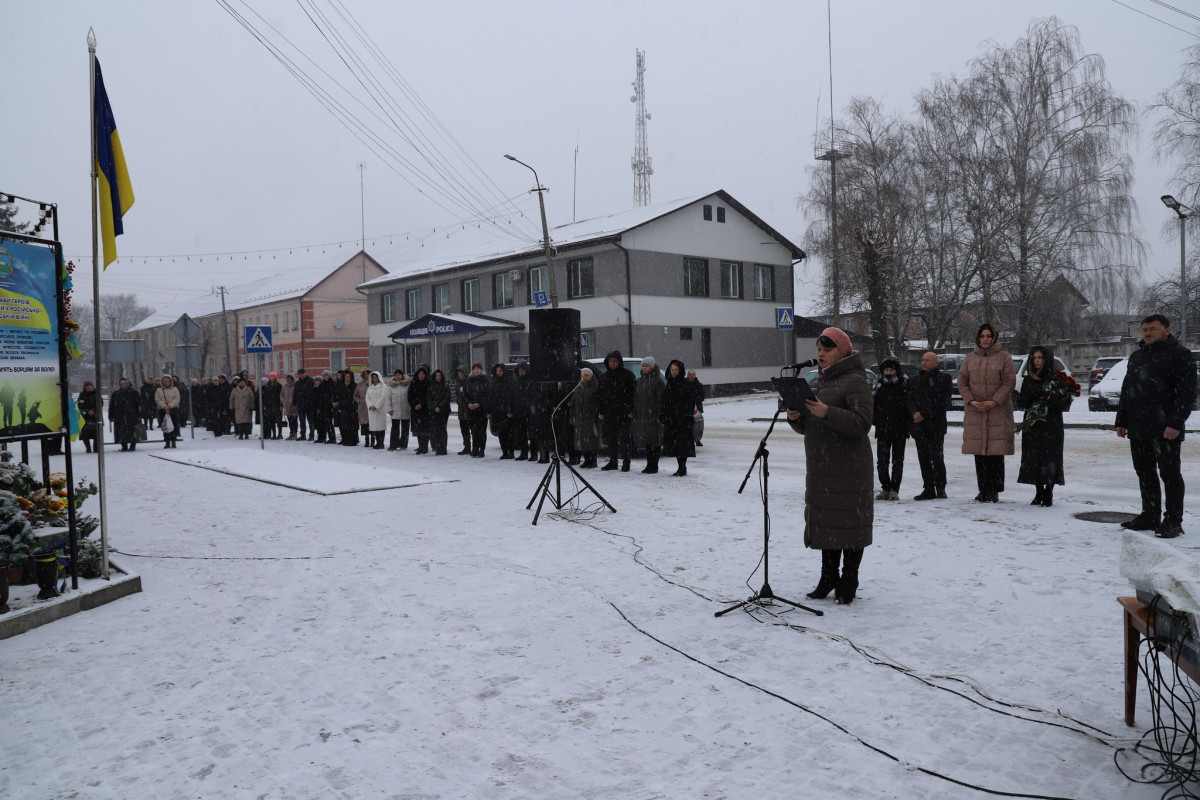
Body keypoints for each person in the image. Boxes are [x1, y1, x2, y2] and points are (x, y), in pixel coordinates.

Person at [786, 327, 873, 605]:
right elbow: (808, 426)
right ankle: (828, 577)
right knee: (827, 524)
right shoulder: (818, 383)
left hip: (850, 468)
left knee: (850, 525)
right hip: (822, 467)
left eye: (827, 349)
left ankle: (849, 580)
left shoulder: (855, 380)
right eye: (819, 349)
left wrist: (828, 412)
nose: (821, 354)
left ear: (843, 351)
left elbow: (862, 424)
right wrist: (797, 417)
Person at [1116, 314, 1198, 538]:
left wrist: (1175, 422)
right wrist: (1121, 420)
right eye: (1145, 330)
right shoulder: (1137, 357)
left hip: (1166, 429)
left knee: (1170, 474)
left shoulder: (1180, 356)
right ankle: (1150, 515)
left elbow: (1187, 393)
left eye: (1153, 329)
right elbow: (1128, 390)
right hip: (1139, 426)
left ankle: (1173, 520)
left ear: (1167, 330)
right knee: (1145, 472)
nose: (1148, 333)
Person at [958, 323, 1015, 503]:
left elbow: (1009, 382)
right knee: (979, 453)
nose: (985, 339)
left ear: (994, 338)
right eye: (982, 336)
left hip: (997, 410)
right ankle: (982, 488)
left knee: (995, 452)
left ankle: (994, 490)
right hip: (976, 411)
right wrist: (972, 401)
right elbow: (962, 382)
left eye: (988, 336)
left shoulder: (1004, 357)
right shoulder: (969, 359)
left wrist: (994, 401)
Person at [1016, 346, 1072, 507]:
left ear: (1047, 360)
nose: (1037, 361)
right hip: (1033, 425)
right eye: (1034, 358)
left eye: (1040, 357)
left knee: (1050, 458)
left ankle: (1049, 491)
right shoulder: (1028, 379)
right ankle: (1038, 490)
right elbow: (1021, 402)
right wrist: (1032, 398)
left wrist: (1049, 399)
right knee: (1034, 458)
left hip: (1051, 425)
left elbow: (1065, 403)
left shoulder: (1056, 380)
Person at [910, 352, 952, 500]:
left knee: (937, 457)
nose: (924, 362)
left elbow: (942, 402)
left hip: (936, 425)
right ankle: (928, 488)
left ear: (936, 363)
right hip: (919, 426)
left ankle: (940, 488)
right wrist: (915, 412)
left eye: (927, 360)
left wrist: (924, 414)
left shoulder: (944, 379)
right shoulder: (914, 380)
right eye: (922, 360)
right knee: (924, 458)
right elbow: (909, 398)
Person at [871, 359, 910, 501]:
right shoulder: (878, 386)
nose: (888, 373)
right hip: (882, 429)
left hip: (900, 428)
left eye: (891, 370)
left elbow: (908, 406)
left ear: (896, 371)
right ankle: (885, 488)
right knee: (882, 461)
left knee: (898, 461)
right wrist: (875, 420)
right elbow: (872, 405)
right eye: (886, 370)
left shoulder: (904, 385)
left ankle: (894, 489)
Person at [660, 360, 702, 476]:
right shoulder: (669, 384)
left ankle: (682, 467)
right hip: (672, 419)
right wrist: (663, 414)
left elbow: (690, 400)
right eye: (672, 370)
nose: (673, 372)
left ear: (680, 371)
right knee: (675, 445)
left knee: (683, 445)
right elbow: (664, 401)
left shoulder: (685, 383)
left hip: (683, 419)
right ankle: (680, 467)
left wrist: (686, 414)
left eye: (676, 370)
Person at [597, 350, 636, 471]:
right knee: (611, 439)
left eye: (615, 361)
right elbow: (600, 396)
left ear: (619, 362)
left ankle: (626, 462)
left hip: (624, 412)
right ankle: (613, 462)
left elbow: (633, 394)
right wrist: (601, 411)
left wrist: (631, 410)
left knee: (625, 438)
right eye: (610, 361)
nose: (612, 364)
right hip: (609, 412)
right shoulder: (604, 377)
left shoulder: (628, 375)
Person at [634, 357, 665, 473]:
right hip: (643, 416)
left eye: (646, 366)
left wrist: (659, 415)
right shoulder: (640, 381)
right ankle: (649, 464)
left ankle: (654, 465)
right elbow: (636, 399)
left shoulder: (658, 381)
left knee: (655, 441)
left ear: (651, 367)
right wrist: (636, 414)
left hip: (653, 416)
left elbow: (661, 400)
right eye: (643, 366)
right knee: (647, 441)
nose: (644, 368)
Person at [571, 368, 601, 468]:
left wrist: (597, 413)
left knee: (592, 439)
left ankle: (593, 460)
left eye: (587, 375)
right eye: (583, 375)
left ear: (591, 376)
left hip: (591, 418)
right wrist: (573, 415)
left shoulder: (595, 387)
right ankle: (587, 459)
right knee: (582, 439)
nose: (584, 377)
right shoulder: (578, 387)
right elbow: (573, 403)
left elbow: (598, 402)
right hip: (580, 418)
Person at [487, 363, 516, 459]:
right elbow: (490, 397)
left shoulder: (509, 381)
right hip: (497, 411)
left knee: (509, 433)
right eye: (497, 371)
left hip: (507, 411)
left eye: (501, 371)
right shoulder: (494, 382)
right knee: (501, 434)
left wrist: (510, 409)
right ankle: (504, 452)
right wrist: (489, 411)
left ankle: (511, 452)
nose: (499, 373)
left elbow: (511, 397)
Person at [463, 362, 490, 457]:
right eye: (475, 369)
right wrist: (468, 403)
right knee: (473, 431)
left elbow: (487, 395)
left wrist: (480, 403)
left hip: (481, 410)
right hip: (471, 410)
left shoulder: (485, 381)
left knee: (482, 431)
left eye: (478, 369)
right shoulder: (469, 381)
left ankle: (481, 450)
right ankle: (475, 449)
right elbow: (465, 394)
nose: (476, 371)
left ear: (481, 370)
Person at [109, 377, 141, 451]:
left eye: (124, 383)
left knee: (133, 431)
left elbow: (139, 404)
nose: (123, 385)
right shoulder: (116, 394)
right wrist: (111, 415)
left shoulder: (134, 393)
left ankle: (133, 445)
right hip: (119, 416)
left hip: (132, 415)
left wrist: (139, 415)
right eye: (121, 384)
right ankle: (124, 446)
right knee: (121, 431)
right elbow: (112, 405)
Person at [426, 369, 452, 455]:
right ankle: (437, 447)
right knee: (435, 430)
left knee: (442, 430)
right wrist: (434, 406)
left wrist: (439, 407)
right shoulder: (431, 387)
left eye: (439, 376)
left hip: (444, 411)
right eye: (436, 376)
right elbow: (429, 399)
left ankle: (443, 448)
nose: (438, 377)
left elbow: (447, 398)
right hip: (434, 411)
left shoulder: (445, 386)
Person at [408, 366, 432, 454]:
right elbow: (409, 396)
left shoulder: (428, 384)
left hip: (425, 410)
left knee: (425, 430)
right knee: (418, 430)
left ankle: (425, 447)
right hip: (416, 410)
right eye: (420, 374)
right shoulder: (413, 383)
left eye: (423, 374)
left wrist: (421, 404)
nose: (421, 376)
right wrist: (414, 404)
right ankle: (420, 446)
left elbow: (428, 397)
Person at [386, 369, 411, 451]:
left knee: (405, 429)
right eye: (396, 375)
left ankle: (403, 445)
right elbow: (388, 399)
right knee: (395, 429)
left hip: (406, 410)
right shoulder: (391, 387)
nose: (398, 376)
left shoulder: (407, 385)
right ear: (394, 376)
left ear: (402, 376)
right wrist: (389, 409)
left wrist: (410, 408)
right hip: (395, 411)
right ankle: (393, 445)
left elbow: (410, 397)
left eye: (399, 375)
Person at [155, 375, 182, 448]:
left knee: (174, 425)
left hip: (173, 409)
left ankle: (173, 441)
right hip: (163, 410)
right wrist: (164, 406)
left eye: (167, 382)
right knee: (165, 426)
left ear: (170, 382)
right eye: (164, 382)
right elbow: (157, 399)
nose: (166, 383)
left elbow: (177, 399)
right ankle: (167, 441)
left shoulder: (175, 389)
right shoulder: (159, 390)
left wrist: (169, 406)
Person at [336, 370, 360, 446]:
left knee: (353, 425)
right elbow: (339, 397)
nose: (347, 378)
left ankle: (353, 440)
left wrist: (356, 407)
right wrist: (339, 407)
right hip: (344, 408)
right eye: (346, 376)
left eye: (349, 376)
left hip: (353, 408)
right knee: (345, 425)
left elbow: (357, 397)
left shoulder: (355, 385)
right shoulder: (341, 386)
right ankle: (346, 439)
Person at [76, 380, 102, 453]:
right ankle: (88, 448)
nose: (88, 387)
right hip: (85, 417)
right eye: (86, 386)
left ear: (92, 385)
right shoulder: (82, 395)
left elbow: (100, 403)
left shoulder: (97, 393)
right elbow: (80, 404)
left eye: (89, 385)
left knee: (96, 433)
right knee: (85, 434)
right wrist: (87, 411)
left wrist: (94, 410)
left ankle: (96, 448)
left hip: (95, 416)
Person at [364, 371, 388, 449]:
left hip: (380, 409)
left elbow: (383, 397)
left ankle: (381, 443)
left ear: (379, 378)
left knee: (380, 427)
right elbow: (367, 398)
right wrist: (370, 405)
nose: (374, 379)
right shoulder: (370, 387)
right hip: (372, 409)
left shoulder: (383, 386)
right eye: (373, 377)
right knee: (375, 427)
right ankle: (377, 442)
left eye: (376, 377)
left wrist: (377, 405)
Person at [686, 369, 706, 446]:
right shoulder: (684, 384)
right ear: (687, 375)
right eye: (690, 374)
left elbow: (702, 396)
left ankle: (697, 440)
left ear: (695, 375)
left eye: (693, 374)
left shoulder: (699, 385)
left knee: (697, 425)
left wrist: (697, 399)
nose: (691, 376)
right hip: (687, 408)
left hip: (697, 408)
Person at [293, 368, 315, 441]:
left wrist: (311, 401)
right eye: (299, 374)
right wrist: (294, 403)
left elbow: (312, 393)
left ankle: (311, 435)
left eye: (302, 374)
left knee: (310, 420)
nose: (301, 375)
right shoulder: (297, 383)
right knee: (302, 421)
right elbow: (295, 394)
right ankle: (303, 435)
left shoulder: (311, 381)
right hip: (300, 404)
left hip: (309, 404)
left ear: (305, 373)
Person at [454, 366, 471, 455]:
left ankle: (474, 447)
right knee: (464, 430)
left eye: (461, 372)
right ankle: (467, 446)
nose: (460, 374)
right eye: (459, 373)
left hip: (469, 411)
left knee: (471, 430)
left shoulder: (469, 382)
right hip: (461, 411)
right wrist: (458, 401)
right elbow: (457, 395)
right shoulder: (458, 383)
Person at [262, 372, 283, 440]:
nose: (271, 378)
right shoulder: (267, 386)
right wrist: (265, 404)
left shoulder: (279, 385)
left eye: (273, 376)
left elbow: (281, 396)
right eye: (270, 376)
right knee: (271, 421)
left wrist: (281, 404)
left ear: (275, 377)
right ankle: (273, 434)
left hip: (277, 405)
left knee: (279, 421)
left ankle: (279, 434)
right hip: (269, 405)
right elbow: (265, 396)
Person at [281, 374, 297, 439]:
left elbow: (297, 395)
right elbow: (282, 395)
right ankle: (291, 433)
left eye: (290, 379)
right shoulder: (285, 386)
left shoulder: (295, 386)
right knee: (290, 421)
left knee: (294, 420)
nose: (289, 381)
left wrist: (295, 403)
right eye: (288, 379)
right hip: (287, 406)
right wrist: (283, 401)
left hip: (294, 406)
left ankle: (295, 433)